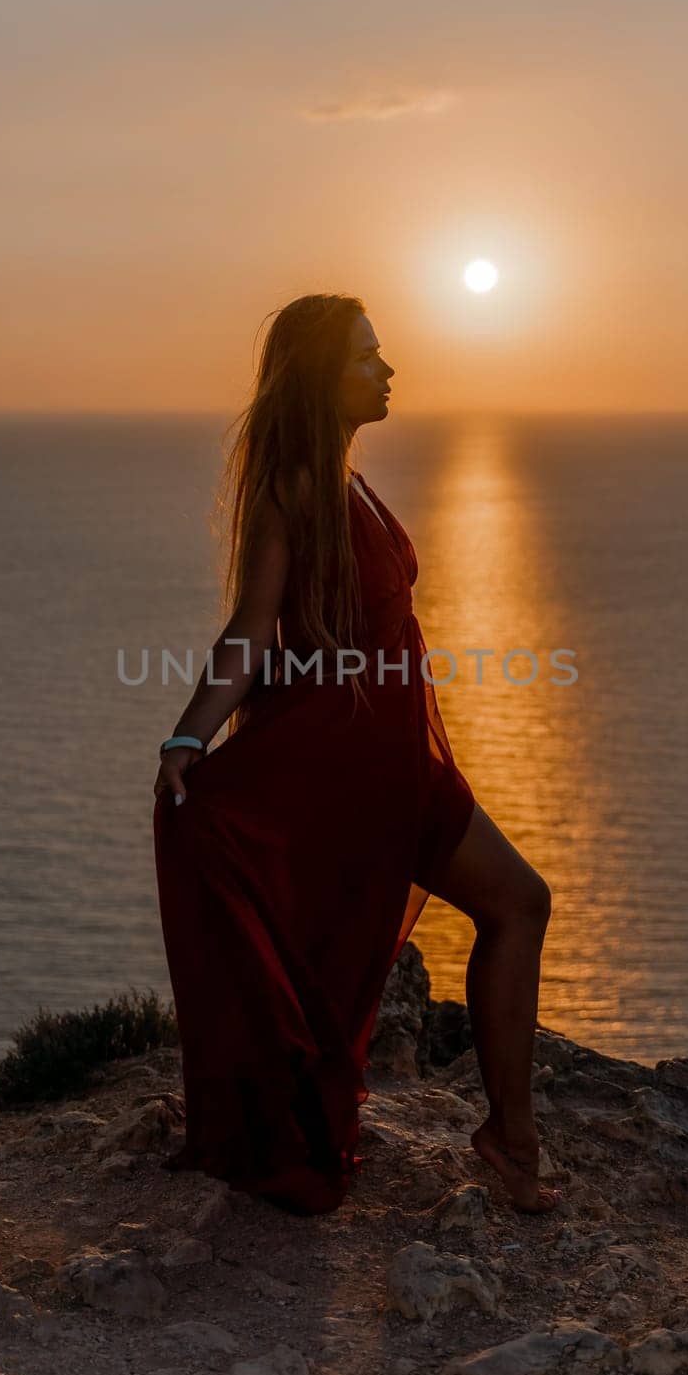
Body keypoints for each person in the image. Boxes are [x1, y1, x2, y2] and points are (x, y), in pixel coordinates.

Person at [152, 293, 561, 1216]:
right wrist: (188, 736)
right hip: (346, 765)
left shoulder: (345, 478)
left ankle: (510, 1136)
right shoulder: (295, 489)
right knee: (518, 902)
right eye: (366, 357)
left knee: (518, 904)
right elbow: (254, 626)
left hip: (391, 763)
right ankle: (513, 1143)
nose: (386, 370)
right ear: (318, 378)